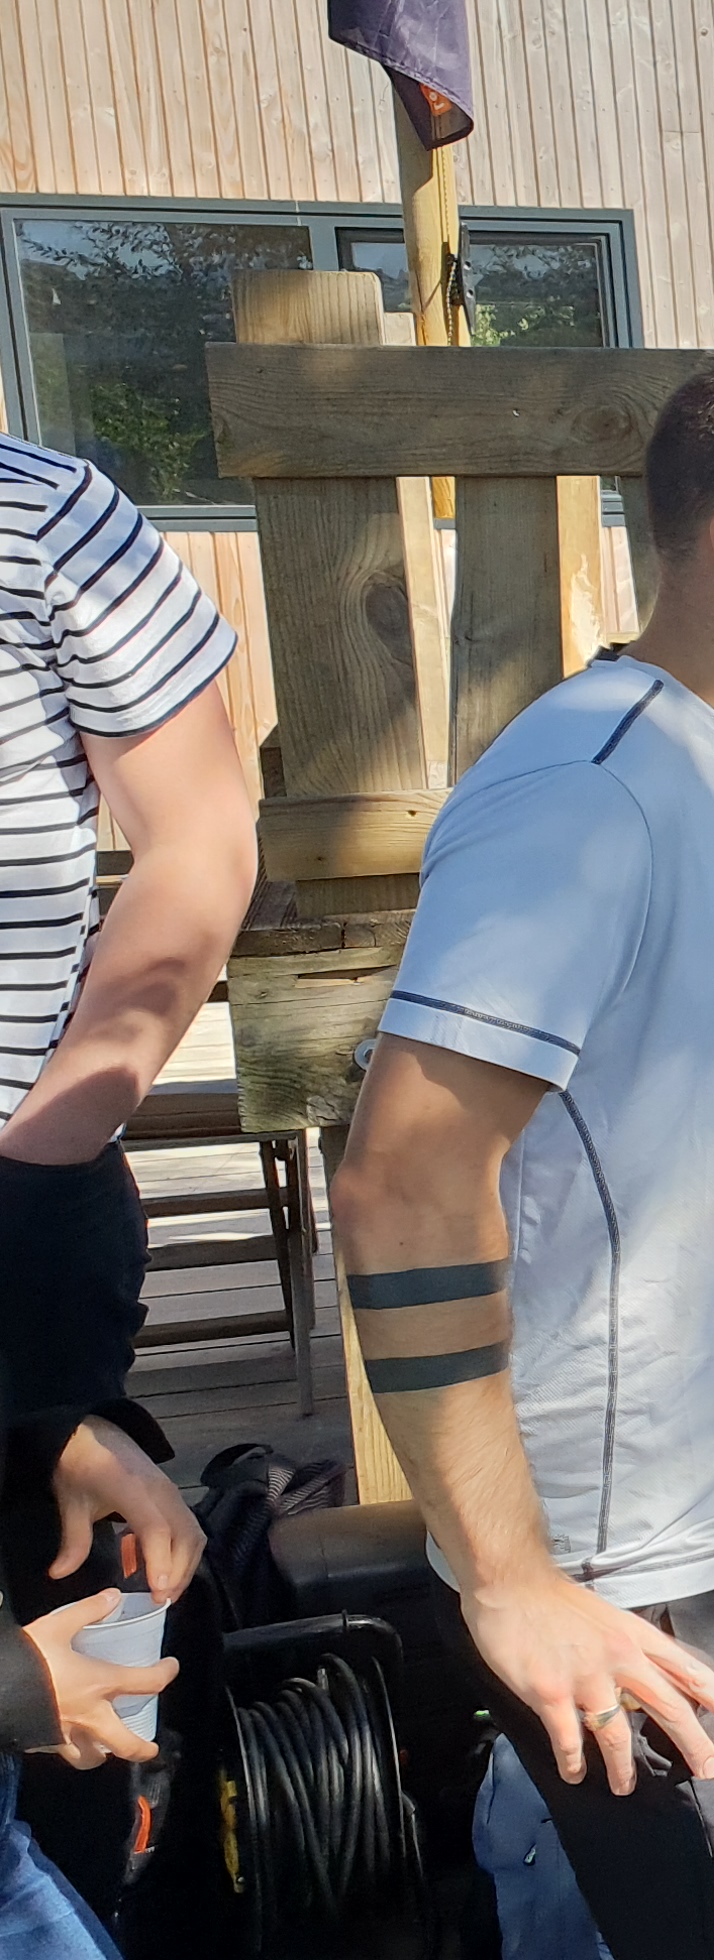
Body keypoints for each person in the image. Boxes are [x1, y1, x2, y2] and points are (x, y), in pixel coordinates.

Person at [328, 339, 714, 1958]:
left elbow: (705, 1106)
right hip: (648, 1576)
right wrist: (509, 1582)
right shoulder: (579, 797)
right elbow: (404, 1183)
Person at [0, 433, 244, 1952]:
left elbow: (200, 832)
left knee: (82, 1761)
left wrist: (49, 1142)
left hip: (22, 1225)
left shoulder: (45, 519)